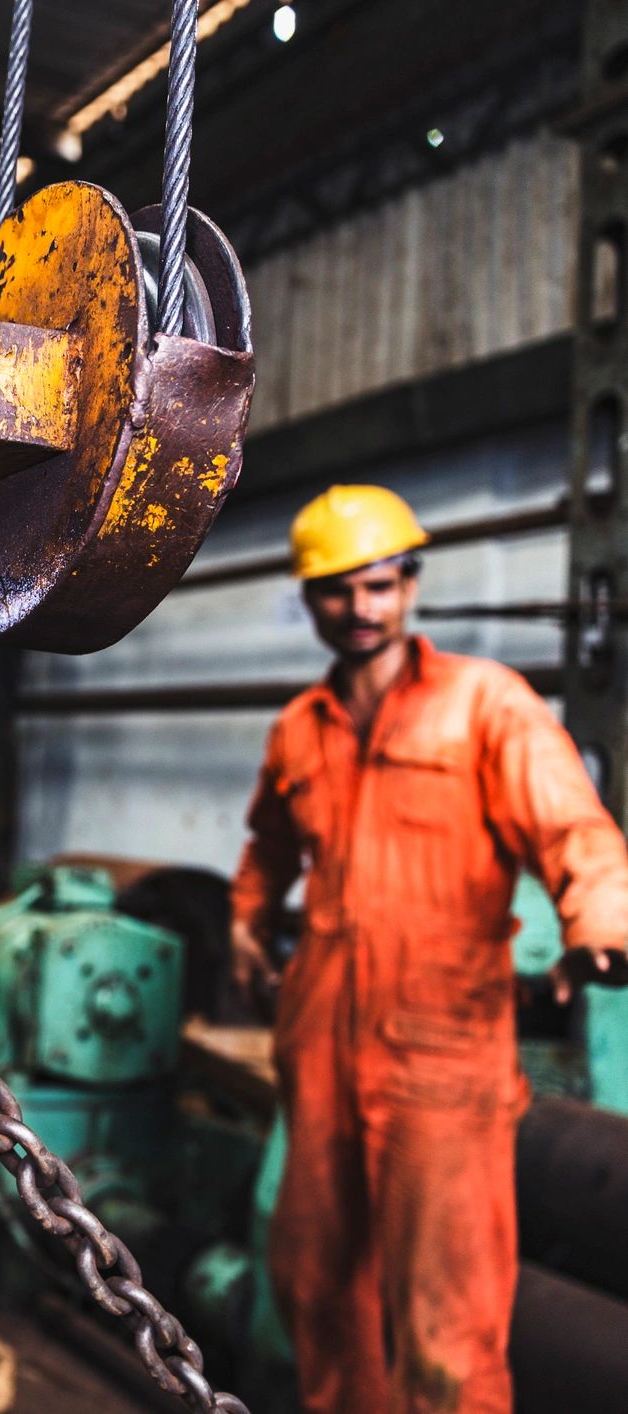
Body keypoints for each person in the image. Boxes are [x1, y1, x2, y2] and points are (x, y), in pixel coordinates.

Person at [230, 485, 628, 1414]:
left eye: (378, 585)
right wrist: (248, 919)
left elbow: (574, 830)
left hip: (442, 1057)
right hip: (321, 1042)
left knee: (447, 1326)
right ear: (310, 597)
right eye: (336, 592)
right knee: (316, 1291)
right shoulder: (300, 728)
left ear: (408, 584)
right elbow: (267, 848)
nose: (360, 610)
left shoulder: (486, 706)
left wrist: (599, 924)